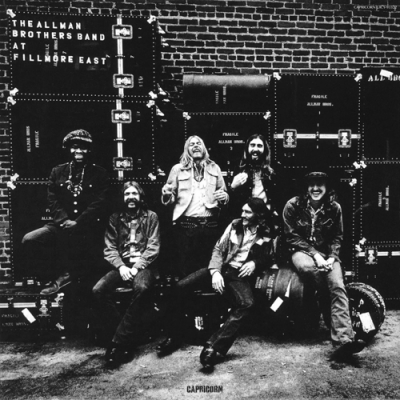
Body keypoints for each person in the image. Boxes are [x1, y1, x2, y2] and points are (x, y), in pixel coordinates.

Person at [157, 198, 277, 371]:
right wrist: (215, 272)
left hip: (238, 274)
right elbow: (219, 249)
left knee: (247, 304)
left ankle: (212, 347)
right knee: (180, 287)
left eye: (247, 212)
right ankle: (174, 336)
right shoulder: (235, 225)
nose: (243, 215)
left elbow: (270, 255)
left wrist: (255, 263)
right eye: (242, 210)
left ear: (258, 215)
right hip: (221, 268)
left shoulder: (266, 231)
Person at [282, 171, 365, 360]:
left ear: (327, 188)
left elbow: (337, 237)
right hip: (301, 251)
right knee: (309, 269)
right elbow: (291, 236)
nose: (315, 188)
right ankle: (332, 320)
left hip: (328, 256)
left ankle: (344, 342)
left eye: (320, 184)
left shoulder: (335, 208)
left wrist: (332, 257)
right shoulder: (293, 205)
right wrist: (315, 254)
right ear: (306, 187)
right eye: (311, 184)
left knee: (337, 285)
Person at [21, 129, 109, 295]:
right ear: (69, 149)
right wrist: (63, 221)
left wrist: (78, 222)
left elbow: (99, 203)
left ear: (89, 150)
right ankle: (51, 278)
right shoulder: (57, 171)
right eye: (75, 147)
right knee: (30, 239)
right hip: (61, 224)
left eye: (83, 147)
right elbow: (52, 199)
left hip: (87, 227)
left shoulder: (99, 173)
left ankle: (70, 277)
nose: (78, 151)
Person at [92, 181, 160, 366]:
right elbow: (109, 248)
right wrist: (121, 267)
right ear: (122, 198)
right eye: (127, 194)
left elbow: (153, 247)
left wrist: (136, 267)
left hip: (144, 266)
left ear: (140, 196)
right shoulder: (115, 218)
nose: (131, 197)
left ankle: (118, 342)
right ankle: (127, 337)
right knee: (98, 290)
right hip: (121, 266)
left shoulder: (151, 217)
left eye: (134, 193)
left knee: (142, 288)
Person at [161, 135, 229, 277]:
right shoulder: (177, 169)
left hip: (210, 226)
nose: (196, 146)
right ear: (187, 149)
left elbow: (223, 193)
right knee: (186, 269)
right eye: (192, 144)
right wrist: (166, 194)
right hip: (186, 227)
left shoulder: (214, 167)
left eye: (199, 143)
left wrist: (224, 197)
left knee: (208, 267)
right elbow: (169, 197)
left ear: (204, 148)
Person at [230, 134, 275, 215]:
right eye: (252, 145)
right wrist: (233, 186)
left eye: (259, 146)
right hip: (246, 214)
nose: (255, 149)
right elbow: (233, 200)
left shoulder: (273, 169)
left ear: (265, 149)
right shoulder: (240, 168)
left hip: (266, 214)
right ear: (247, 148)